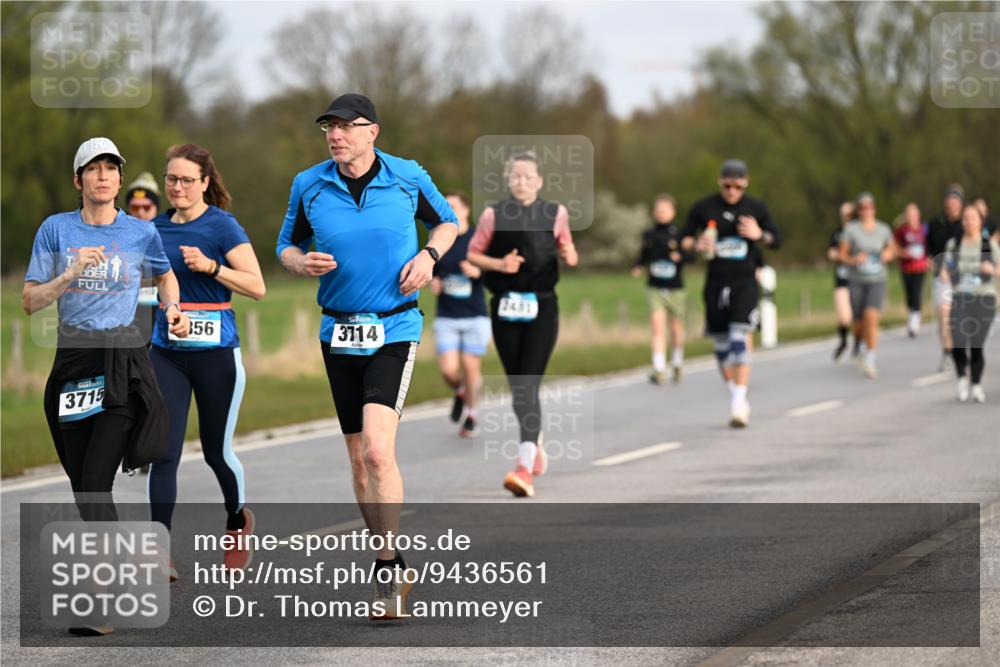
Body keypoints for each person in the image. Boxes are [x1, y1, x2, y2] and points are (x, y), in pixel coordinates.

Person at [276, 94, 457, 619]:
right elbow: (284, 243)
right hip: (338, 332)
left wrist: (429, 255)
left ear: (371, 131)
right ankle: (389, 556)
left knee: (378, 451)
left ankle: (389, 568)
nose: (334, 136)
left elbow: (447, 223)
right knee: (358, 460)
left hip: (395, 326)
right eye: (328, 128)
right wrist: (297, 262)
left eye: (344, 127)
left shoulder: (406, 176)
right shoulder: (308, 183)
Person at [22, 138, 190, 636]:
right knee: (83, 484)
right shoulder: (56, 229)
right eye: (92, 169)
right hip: (73, 363)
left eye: (110, 169)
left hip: (123, 363)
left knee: (96, 478)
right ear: (78, 181)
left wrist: (174, 309)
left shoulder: (140, 232)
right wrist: (71, 272)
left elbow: (165, 278)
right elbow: (31, 302)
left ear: (120, 180)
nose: (102, 177)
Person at [147, 144, 266, 579]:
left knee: (217, 451)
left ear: (204, 183)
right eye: (171, 179)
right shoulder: (154, 229)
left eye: (186, 180)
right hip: (167, 353)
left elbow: (256, 286)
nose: (177, 187)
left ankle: (237, 521)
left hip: (217, 354)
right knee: (165, 452)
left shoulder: (222, 226)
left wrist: (213, 267)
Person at [467, 151, 578, 497]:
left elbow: (569, 249)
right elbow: (473, 254)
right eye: (516, 176)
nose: (522, 182)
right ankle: (535, 440)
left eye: (529, 176)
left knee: (528, 383)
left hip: (542, 306)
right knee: (519, 387)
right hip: (504, 306)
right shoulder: (492, 214)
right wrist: (499, 265)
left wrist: (569, 255)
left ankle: (524, 465)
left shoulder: (555, 212)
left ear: (540, 181)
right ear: (508, 179)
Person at [681, 159, 781, 427]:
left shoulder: (755, 208)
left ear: (746, 182)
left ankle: (739, 401)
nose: (732, 191)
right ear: (720, 181)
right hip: (715, 282)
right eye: (728, 184)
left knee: (740, 337)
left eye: (738, 185)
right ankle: (735, 393)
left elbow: (777, 239)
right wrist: (696, 243)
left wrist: (759, 234)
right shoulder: (704, 207)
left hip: (745, 281)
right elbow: (683, 238)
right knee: (722, 347)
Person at [429, 192, 489, 437]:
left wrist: (478, 271)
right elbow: (428, 267)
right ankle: (461, 391)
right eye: (445, 206)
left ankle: (472, 415)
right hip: (447, 315)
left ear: (465, 210)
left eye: (453, 205)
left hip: (475, 314)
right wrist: (432, 280)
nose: (449, 209)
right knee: (448, 370)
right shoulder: (438, 237)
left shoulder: (478, 239)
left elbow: (496, 270)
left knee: (470, 366)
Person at [940, 204, 1000, 403]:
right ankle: (962, 380)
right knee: (957, 341)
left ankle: (976, 384)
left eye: (973, 218)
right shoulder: (954, 244)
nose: (969, 221)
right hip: (960, 297)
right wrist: (946, 274)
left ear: (980, 221)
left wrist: (991, 269)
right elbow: (945, 268)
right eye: (965, 218)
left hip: (984, 297)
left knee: (976, 344)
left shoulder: (988, 245)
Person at [838, 192, 896, 379]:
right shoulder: (851, 229)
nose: (867, 210)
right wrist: (854, 259)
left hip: (877, 279)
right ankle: (859, 343)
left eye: (870, 207)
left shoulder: (883, 229)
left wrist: (888, 254)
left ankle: (870, 357)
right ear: (859, 210)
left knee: (871, 316)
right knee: (858, 323)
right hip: (857, 280)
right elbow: (842, 255)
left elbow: (893, 249)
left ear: (874, 208)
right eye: (863, 207)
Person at [631, 193, 688, 384]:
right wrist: (638, 266)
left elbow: (691, 256)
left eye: (664, 210)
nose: (661, 213)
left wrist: (680, 257)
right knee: (657, 327)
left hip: (675, 287)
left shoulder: (679, 233)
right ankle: (659, 368)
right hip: (655, 286)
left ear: (672, 212)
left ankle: (678, 362)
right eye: (658, 210)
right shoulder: (649, 234)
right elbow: (644, 254)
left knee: (675, 328)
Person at [927, 185, 965, 371]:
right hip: (941, 277)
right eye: (949, 200)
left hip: (964, 277)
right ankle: (948, 352)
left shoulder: (968, 223)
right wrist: (933, 263)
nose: (952, 204)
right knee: (944, 315)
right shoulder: (935, 224)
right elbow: (929, 250)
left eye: (955, 200)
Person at [894, 202, 929, 338]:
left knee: (916, 292)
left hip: (920, 267)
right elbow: (894, 247)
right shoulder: (902, 230)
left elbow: (929, 246)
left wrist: (928, 259)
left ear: (918, 215)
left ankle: (915, 321)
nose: (911, 217)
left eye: (913, 214)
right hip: (906, 267)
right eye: (909, 214)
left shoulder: (924, 229)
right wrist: (904, 253)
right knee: (909, 294)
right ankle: (911, 316)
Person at [828, 201, 856, 361]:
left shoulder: (860, 233)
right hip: (842, 277)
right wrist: (841, 256)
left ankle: (860, 343)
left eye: (848, 214)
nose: (845, 217)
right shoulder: (837, 234)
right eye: (843, 215)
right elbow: (831, 253)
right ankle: (844, 341)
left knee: (859, 315)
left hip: (859, 278)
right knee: (844, 316)